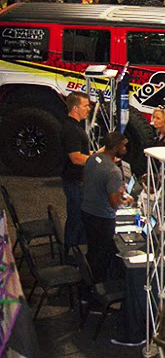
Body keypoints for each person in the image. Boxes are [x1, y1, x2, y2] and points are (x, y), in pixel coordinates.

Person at [81, 131, 132, 282]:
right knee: (101, 256)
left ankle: (88, 281)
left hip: (86, 211)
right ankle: (99, 285)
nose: (125, 148)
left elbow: (88, 179)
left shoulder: (93, 158)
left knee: (93, 250)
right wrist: (126, 201)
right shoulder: (113, 171)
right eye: (123, 146)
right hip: (102, 219)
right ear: (116, 147)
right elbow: (114, 203)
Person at [60, 92, 92, 255]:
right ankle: (72, 253)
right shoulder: (71, 129)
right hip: (74, 181)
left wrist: (98, 154)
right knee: (76, 218)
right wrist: (97, 160)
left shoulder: (75, 126)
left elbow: (82, 152)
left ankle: (78, 250)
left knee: (79, 217)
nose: (89, 109)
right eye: (85, 106)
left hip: (77, 181)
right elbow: (76, 158)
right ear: (75, 108)